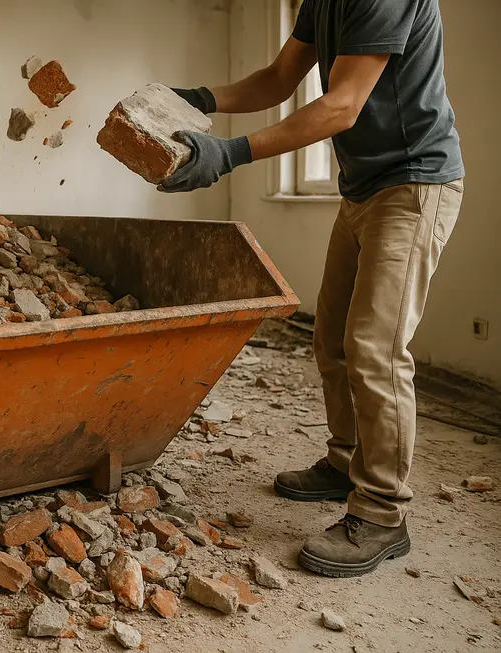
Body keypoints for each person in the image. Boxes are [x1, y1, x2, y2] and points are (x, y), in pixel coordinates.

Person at [163, 0, 464, 578]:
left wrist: (230, 153)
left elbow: (343, 105)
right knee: (331, 340)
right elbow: (279, 79)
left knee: (375, 349)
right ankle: (346, 462)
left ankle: (381, 513)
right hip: (361, 191)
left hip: (414, 185)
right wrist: (202, 99)